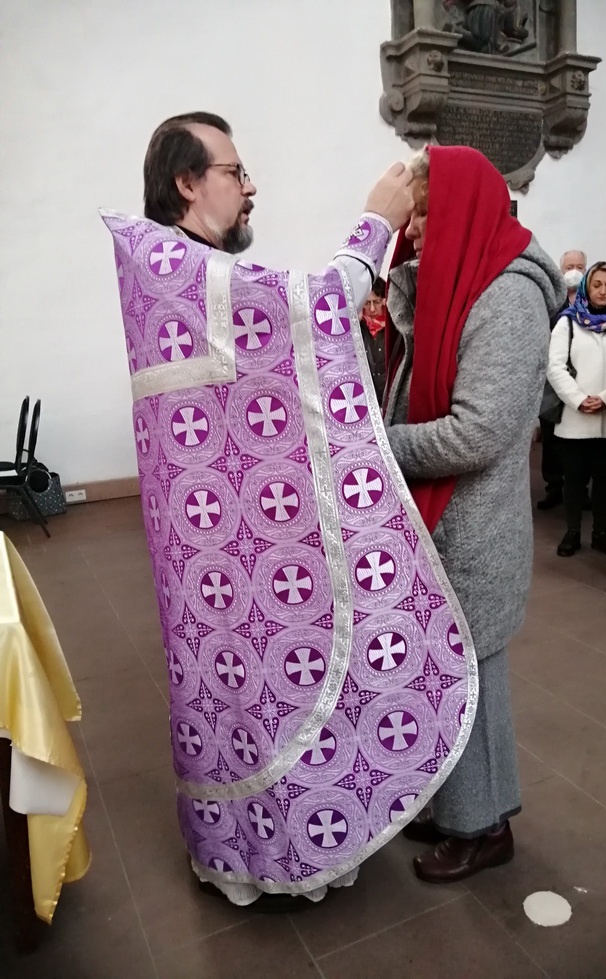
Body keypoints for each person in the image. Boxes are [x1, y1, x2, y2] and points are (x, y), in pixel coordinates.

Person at [103, 113, 481, 910]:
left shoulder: (175, 273)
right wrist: (375, 222)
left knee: (249, 692)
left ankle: (257, 848)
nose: (251, 188)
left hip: (231, 542)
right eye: (235, 172)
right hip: (230, 547)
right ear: (187, 182)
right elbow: (315, 308)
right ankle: (277, 851)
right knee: (254, 692)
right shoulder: (178, 267)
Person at [383, 145, 566, 883]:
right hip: (439, 520)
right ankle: (452, 803)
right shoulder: (459, 279)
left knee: (474, 680)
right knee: (441, 675)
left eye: (425, 214)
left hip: (473, 528)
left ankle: (484, 827)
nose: (413, 229)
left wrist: (375, 445)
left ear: (462, 211)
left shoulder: (508, 296)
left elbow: (478, 432)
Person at [547, 263, 606, 557]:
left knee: (605, 479)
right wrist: (578, 399)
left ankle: (600, 533)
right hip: (575, 416)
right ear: (587, 287)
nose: (602, 291)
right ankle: (572, 531)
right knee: (574, 479)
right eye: (597, 284)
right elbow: (554, 367)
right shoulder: (568, 322)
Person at [537, 249, 587, 510]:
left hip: (584, 380)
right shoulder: (551, 301)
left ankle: (580, 490)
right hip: (552, 382)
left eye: (580, 266)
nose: (574, 271)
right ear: (560, 270)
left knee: (581, 440)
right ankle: (554, 487)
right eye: (569, 267)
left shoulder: (593, 301)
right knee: (551, 438)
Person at [359, 276, 387, 402]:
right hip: (366, 400)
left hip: (389, 399)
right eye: (366, 303)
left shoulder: (395, 329)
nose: (371, 309)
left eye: (376, 302)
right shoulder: (357, 328)